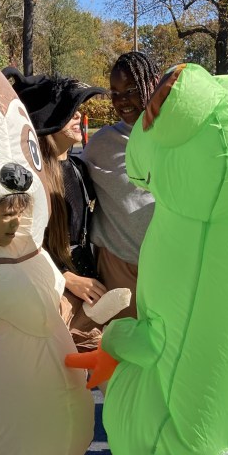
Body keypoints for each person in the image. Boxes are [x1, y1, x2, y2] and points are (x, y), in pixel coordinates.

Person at [3, 68, 109, 351]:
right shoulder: (27, 180)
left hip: (89, 301)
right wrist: (65, 277)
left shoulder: (80, 168)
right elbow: (15, 247)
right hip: (47, 303)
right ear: (47, 122)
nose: (78, 116)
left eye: (77, 109)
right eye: (69, 111)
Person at [81, 51, 161, 319]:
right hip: (119, 267)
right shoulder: (102, 143)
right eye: (114, 93)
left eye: (131, 89)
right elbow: (64, 174)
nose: (121, 100)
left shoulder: (177, 137)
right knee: (123, 348)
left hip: (170, 266)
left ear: (154, 83)